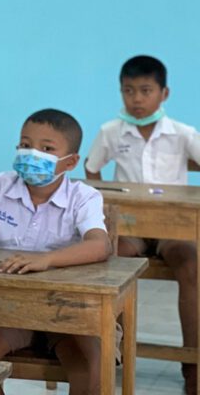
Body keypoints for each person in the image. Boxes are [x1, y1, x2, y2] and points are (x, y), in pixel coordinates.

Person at [0, 109, 110, 395]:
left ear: (70, 162)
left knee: (91, 367)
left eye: (46, 149)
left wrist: (46, 260)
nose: (32, 154)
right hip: (9, 307)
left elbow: (100, 245)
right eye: (25, 144)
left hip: (68, 309)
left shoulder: (83, 196)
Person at [85, 55, 200, 393]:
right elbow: (92, 168)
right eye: (128, 90)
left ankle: (193, 364)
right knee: (108, 259)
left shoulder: (182, 134)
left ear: (164, 93)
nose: (136, 99)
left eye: (145, 90)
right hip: (130, 227)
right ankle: (110, 352)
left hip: (171, 229)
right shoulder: (110, 132)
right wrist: (104, 206)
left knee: (191, 263)